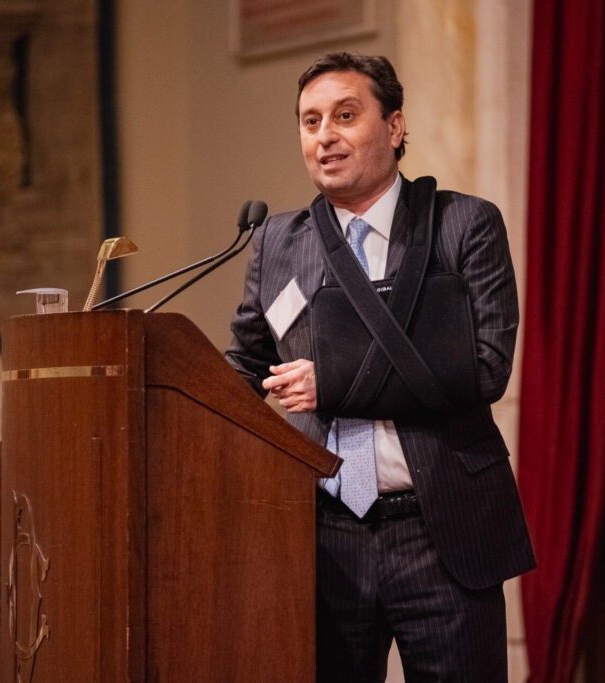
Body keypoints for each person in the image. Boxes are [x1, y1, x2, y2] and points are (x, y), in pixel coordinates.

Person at [225, 52, 536, 681]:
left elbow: (486, 368)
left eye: (345, 115)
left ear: (395, 126)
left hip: (441, 527)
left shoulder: (462, 225)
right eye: (310, 121)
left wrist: (334, 383)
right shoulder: (277, 242)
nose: (325, 136)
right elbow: (244, 366)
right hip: (324, 535)